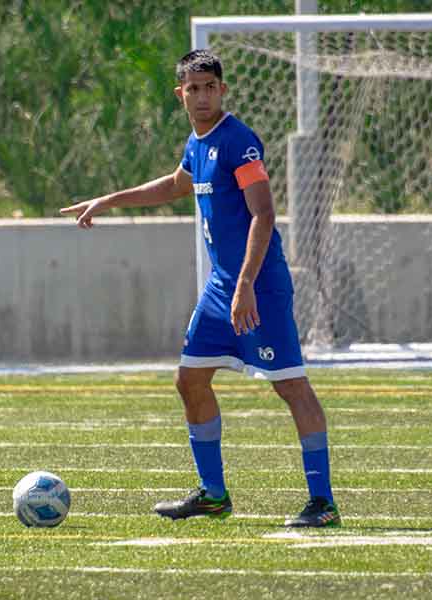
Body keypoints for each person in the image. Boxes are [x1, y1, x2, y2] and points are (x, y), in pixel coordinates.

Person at [60, 50, 340, 528]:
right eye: (194, 88)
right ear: (180, 94)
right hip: (221, 287)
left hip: (259, 285)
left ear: (223, 90)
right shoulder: (197, 142)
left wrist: (247, 283)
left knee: (290, 385)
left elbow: (264, 215)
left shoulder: (238, 141)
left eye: (211, 87)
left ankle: (323, 503)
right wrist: (107, 200)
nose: (203, 96)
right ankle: (213, 494)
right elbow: (173, 185)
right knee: (189, 379)